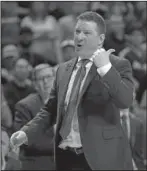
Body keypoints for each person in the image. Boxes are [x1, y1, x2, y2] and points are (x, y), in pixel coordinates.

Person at [10, 11, 134, 170]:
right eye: (77, 31)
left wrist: (105, 68)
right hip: (68, 158)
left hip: (102, 159)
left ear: (101, 39)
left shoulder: (117, 65)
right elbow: (50, 110)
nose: (79, 37)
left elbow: (125, 101)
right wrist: (26, 133)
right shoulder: (63, 69)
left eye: (87, 32)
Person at [13, 64, 55, 170]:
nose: (46, 82)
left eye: (49, 77)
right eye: (41, 79)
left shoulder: (67, 101)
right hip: (38, 162)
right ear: (35, 84)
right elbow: (24, 141)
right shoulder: (24, 106)